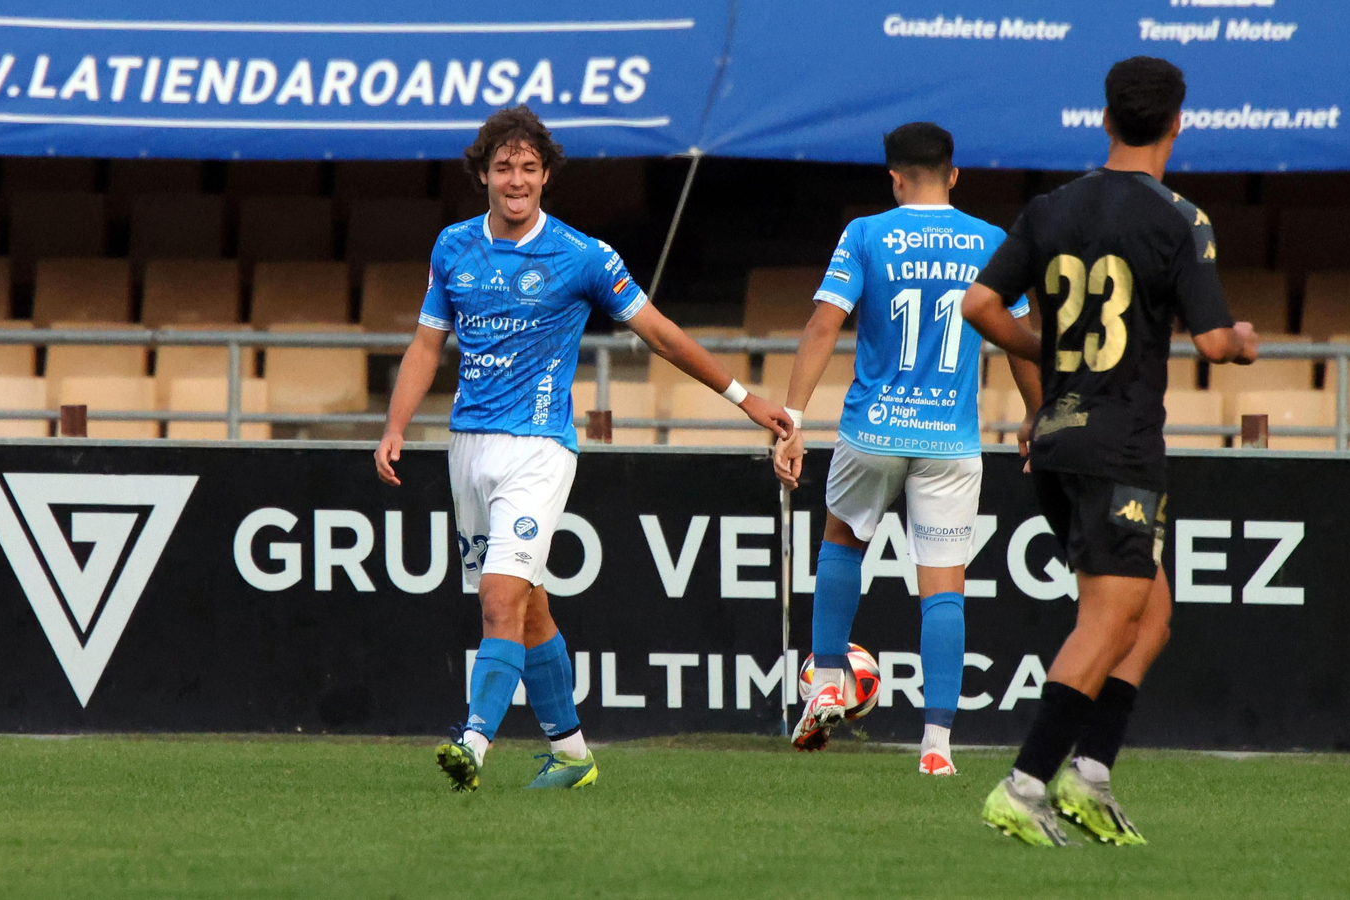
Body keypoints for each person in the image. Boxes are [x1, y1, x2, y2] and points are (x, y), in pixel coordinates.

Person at [374, 106, 793, 792]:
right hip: (467, 447)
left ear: (546, 176)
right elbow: (427, 344)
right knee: (528, 605)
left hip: (540, 450)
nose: (516, 180)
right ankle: (572, 754)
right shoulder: (452, 246)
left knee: (499, 601)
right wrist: (395, 426)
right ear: (483, 175)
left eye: (528, 168)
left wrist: (746, 400)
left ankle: (473, 743)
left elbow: (659, 334)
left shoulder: (582, 255)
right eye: (503, 168)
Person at [959, 56, 1258, 846]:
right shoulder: (1179, 219)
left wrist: (1048, 348)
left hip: (1058, 438)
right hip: (1120, 446)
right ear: (1178, 124)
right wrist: (1244, 340)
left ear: (1105, 119)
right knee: (1106, 619)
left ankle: (1089, 775)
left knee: (1149, 618)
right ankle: (1024, 785)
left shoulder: (1050, 209)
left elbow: (980, 305)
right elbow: (1215, 341)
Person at [771, 122, 1041, 776]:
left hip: (873, 431)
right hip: (951, 438)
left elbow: (823, 324)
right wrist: (1038, 415)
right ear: (955, 175)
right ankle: (936, 746)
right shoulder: (991, 241)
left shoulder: (866, 233)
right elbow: (1018, 338)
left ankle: (827, 681)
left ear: (894, 178)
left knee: (842, 542)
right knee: (943, 585)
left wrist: (792, 418)